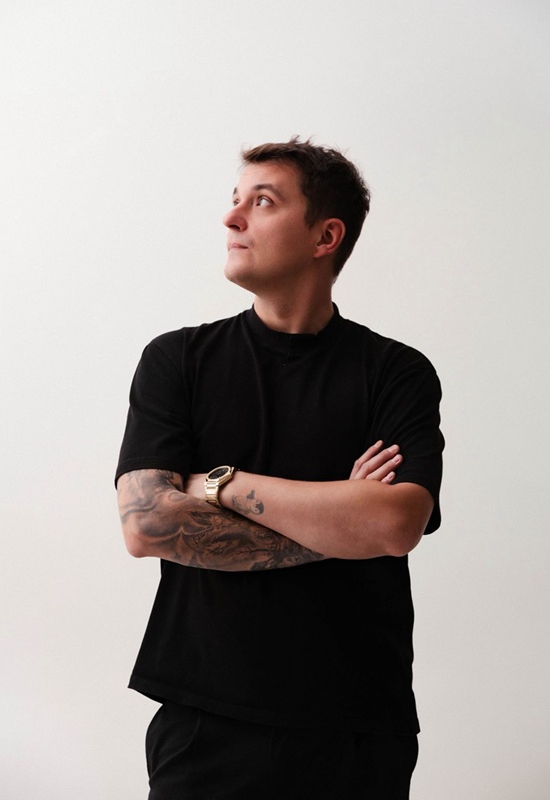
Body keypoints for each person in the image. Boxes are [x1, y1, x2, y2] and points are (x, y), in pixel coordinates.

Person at [116, 137, 444, 799]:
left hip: (356, 726)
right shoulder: (177, 361)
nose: (231, 217)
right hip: (204, 721)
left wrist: (218, 485)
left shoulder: (396, 373)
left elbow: (393, 524)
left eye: (262, 202)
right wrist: (340, 520)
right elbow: (148, 525)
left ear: (326, 236)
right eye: (235, 200)